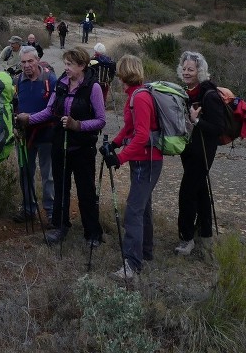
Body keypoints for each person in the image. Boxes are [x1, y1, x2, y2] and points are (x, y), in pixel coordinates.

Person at [17, 47, 105, 247]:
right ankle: (60, 226)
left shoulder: (93, 87)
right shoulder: (61, 85)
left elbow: (100, 120)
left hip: (82, 148)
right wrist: (28, 120)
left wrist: (79, 125)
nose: (66, 69)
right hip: (60, 144)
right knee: (61, 187)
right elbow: (49, 111)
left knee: (86, 191)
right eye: (65, 64)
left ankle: (92, 233)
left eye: (70, 65)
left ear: (82, 66)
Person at [103, 54, 162, 282]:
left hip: (146, 161)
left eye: (119, 72)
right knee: (143, 207)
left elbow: (140, 136)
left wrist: (120, 158)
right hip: (144, 160)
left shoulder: (139, 98)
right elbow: (129, 127)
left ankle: (131, 265)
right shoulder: (135, 95)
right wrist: (114, 144)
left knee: (133, 211)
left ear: (124, 73)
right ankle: (145, 253)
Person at [175, 50, 226, 258]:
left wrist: (197, 121)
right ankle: (205, 233)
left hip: (203, 151)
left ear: (200, 71)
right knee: (200, 191)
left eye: (191, 69)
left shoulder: (209, 95)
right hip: (189, 150)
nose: (186, 72)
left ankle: (186, 239)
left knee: (187, 194)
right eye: (184, 68)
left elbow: (218, 127)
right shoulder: (188, 91)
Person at [11, 45, 55, 223]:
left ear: (37, 60)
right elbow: (11, 106)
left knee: (48, 174)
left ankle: (51, 211)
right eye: (23, 62)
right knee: (25, 171)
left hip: (46, 134)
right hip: (24, 136)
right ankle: (29, 208)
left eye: (30, 61)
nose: (27, 65)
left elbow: (54, 109)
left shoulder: (50, 80)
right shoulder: (16, 82)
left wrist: (30, 118)